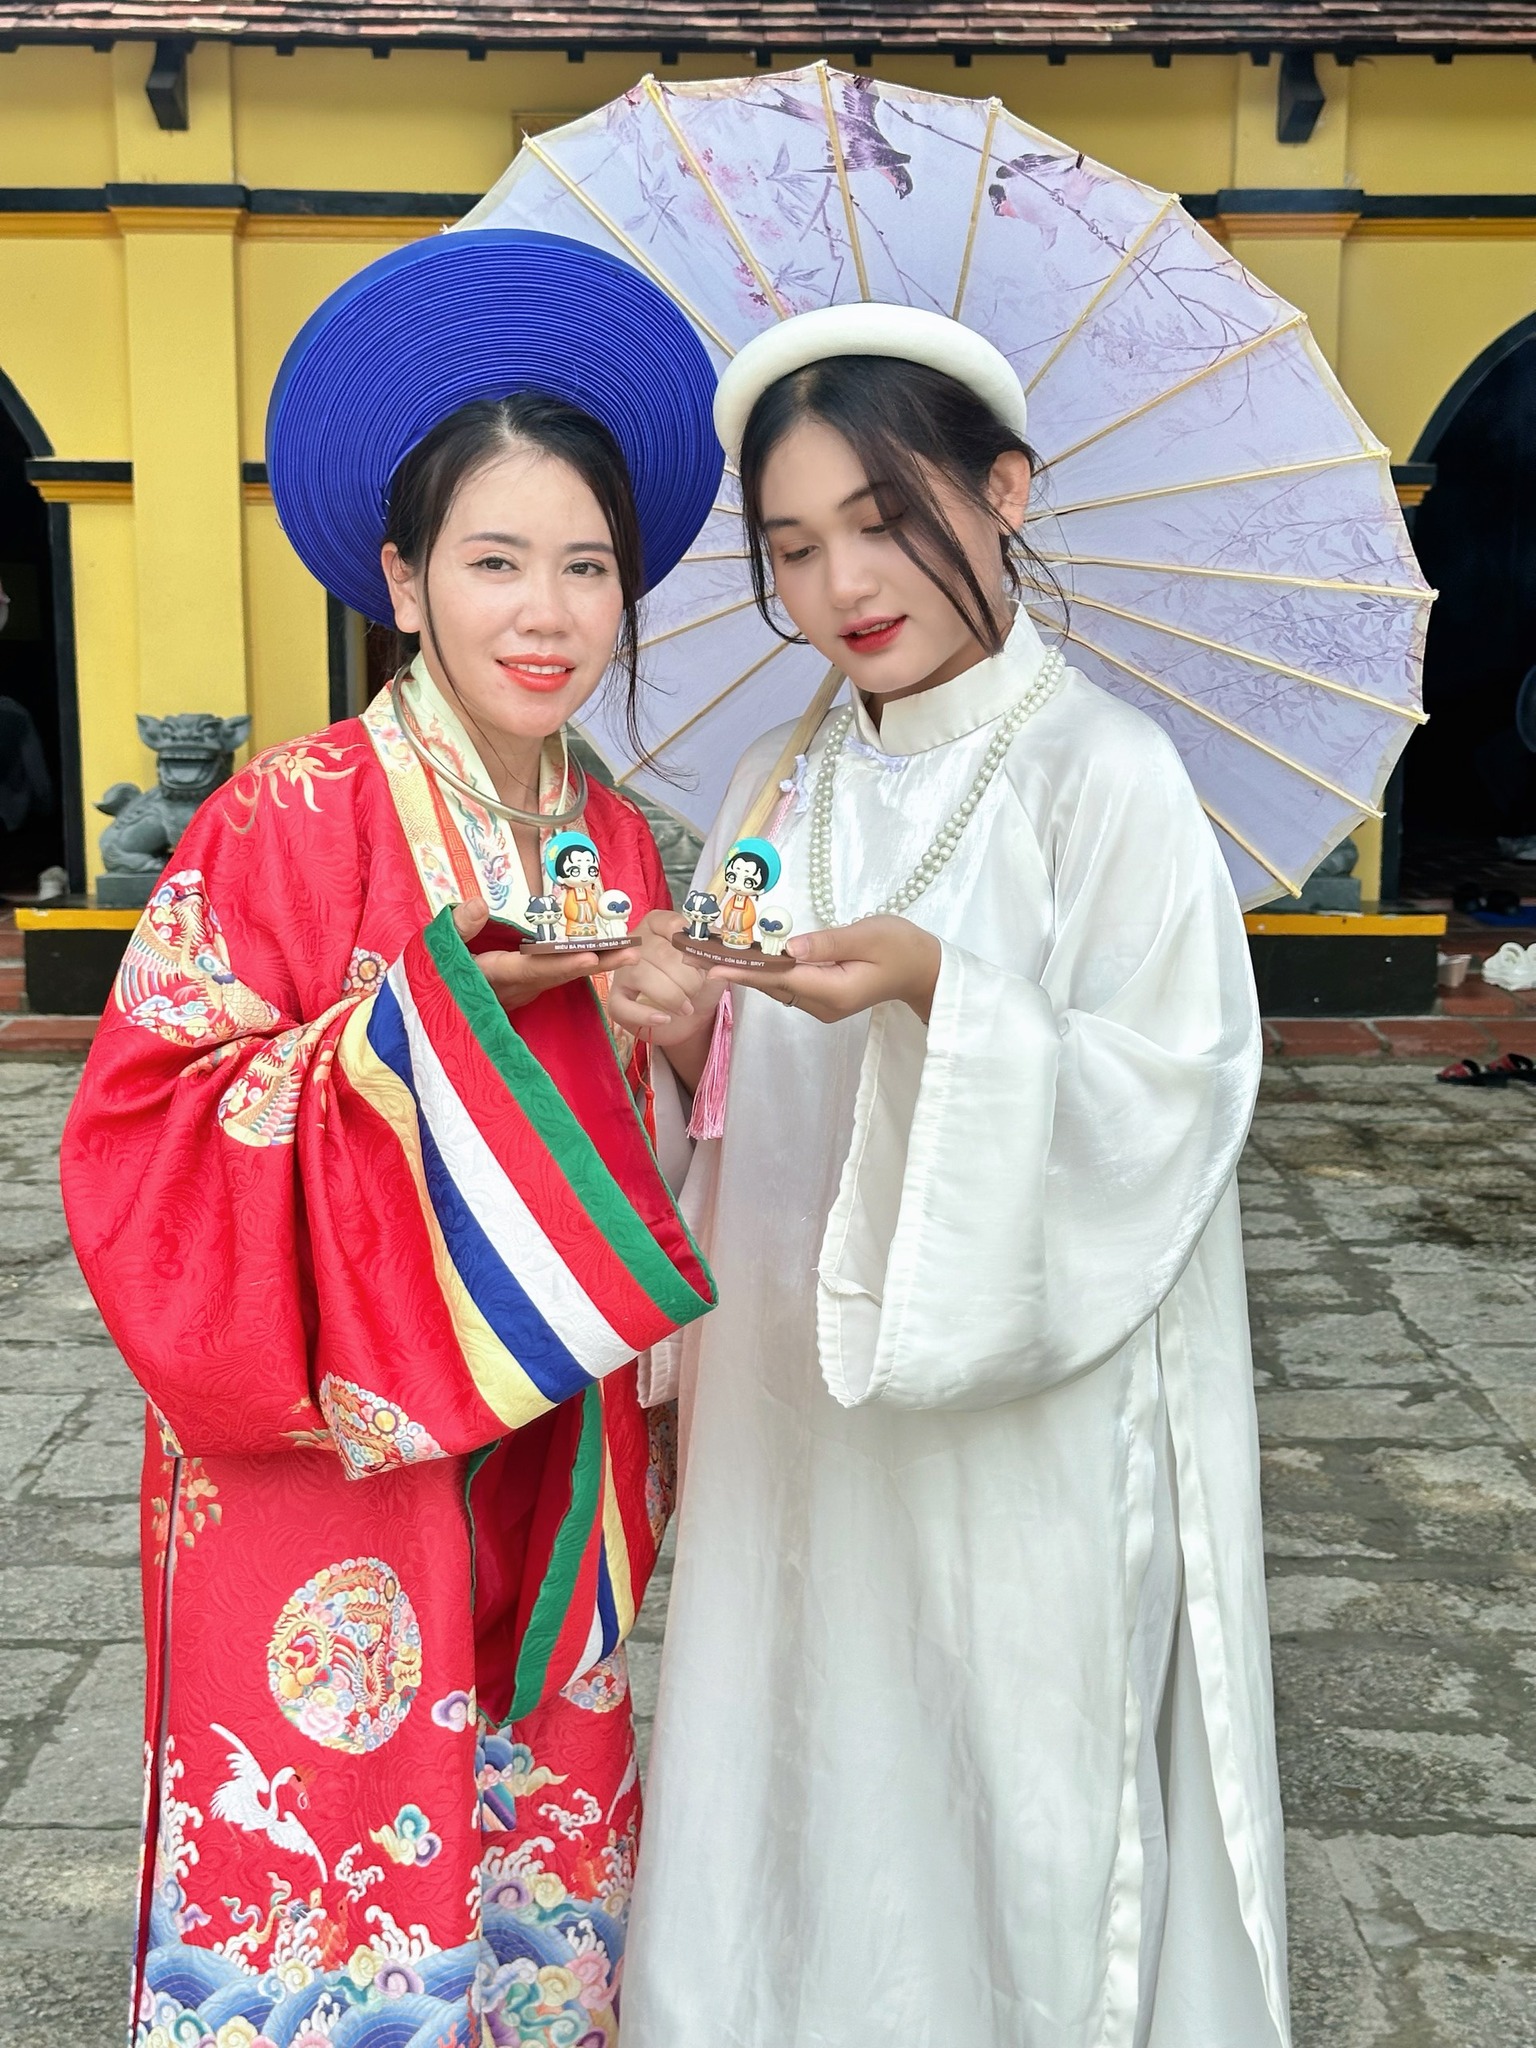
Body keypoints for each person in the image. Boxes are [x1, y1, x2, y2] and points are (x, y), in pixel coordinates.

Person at [60, 229, 721, 2048]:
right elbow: (142, 1133)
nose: (546, 611)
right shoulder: (284, 816)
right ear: (405, 580)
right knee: (333, 1836)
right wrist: (416, 1037)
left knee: (537, 1843)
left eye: (587, 565)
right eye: (494, 561)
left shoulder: (622, 840)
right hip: (327, 1448)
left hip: (548, 1428)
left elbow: (642, 1161)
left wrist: (680, 1039)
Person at [608, 303, 1290, 2048]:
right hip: (791, 1390)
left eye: (886, 517)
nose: (843, 583)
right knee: (795, 1734)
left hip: (1013, 1411)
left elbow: (1171, 1101)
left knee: (1006, 1758)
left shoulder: (1104, 775)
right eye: (793, 546)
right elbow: (735, 1098)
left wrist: (943, 994)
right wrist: (683, 1030)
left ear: (1004, 491)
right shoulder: (774, 778)